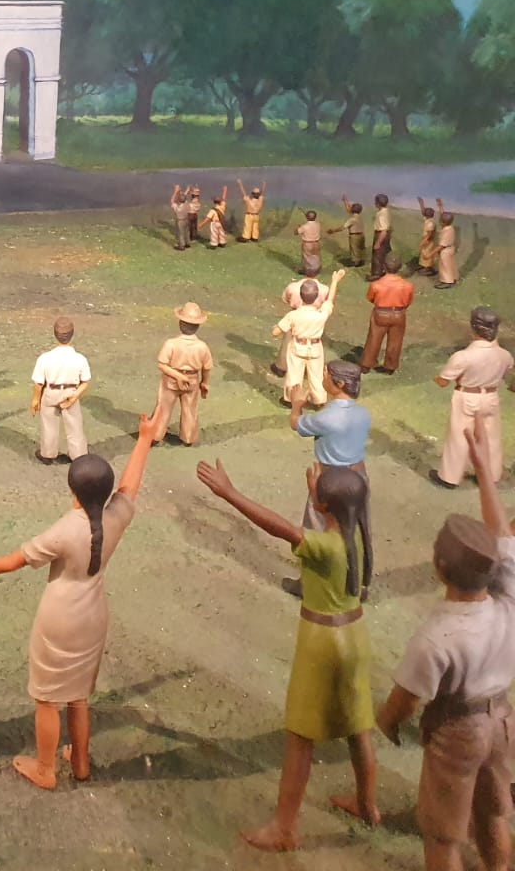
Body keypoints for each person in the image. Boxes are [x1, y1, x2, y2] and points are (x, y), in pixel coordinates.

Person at [0, 410, 162, 790]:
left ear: (73, 491)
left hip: (60, 618)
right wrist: (143, 440)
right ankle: (81, 762)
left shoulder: (65, 530)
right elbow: (129, 487)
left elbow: (16, 560)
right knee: (78, 696)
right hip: (93, 615)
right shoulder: (115, 517)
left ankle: (45, 767)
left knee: (47, 698)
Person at [196, 458, 379, 851]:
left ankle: (284, 828)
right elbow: (331, 513)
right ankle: (367, 805)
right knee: (358, 726)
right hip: (355, 636)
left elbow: (278, 527)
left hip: (322, 643)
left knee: (300, 737)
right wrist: (322, 497)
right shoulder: (357, 537)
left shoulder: (324, 547)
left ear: (324, 507)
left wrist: (229, 493)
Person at [376, 432, 515, 871]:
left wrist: (387, 721)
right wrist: (484, 473)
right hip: (502, 720)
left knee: (443, 834)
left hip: (459, 731)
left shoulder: (436, 636)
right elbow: (502, 534)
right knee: (493, 814)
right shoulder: (509, 597)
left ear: (440, 569)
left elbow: (406, 699)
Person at [284, 362, 371, 597]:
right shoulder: (363, 414)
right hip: (358, 475)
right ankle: (358, 584)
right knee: (357, 528)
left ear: (339, 383)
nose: (323, 377)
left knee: (316, 528)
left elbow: (296, 424)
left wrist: (296, 405)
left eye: (326, 374)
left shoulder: (327, 417)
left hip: (331, 479)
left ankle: (310, 584)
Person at [432, 307, 514, 489]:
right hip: (491, 397)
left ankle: (450, 477)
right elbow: (508, 368)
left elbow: (442, 382)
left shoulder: (463, 356)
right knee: (490, 438)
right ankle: (489, 475)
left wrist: (437, 378)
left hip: (467, 397)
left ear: (474, 328)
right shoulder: (504, 354)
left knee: (459, 437)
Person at [272, 269, 347, 406]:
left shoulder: (293, 315)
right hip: (315, 347)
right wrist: (335, 281)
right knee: (316, 375)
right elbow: (329, 300)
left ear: (301, 296)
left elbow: (276, 332)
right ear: (316, 296)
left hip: (297, 347)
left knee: (294, 375)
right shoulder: (321, 314)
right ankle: (319, 400)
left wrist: (276, 328)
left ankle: (290, 399)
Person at [31, 317, 92, 465]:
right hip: (70, 392)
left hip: (51, 392)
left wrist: (35, 400)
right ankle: (78, 455)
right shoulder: (80, 359)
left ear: (55, 334)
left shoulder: (45, 358)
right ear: (72, 334)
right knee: (75, 425)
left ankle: (48, 454)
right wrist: (75, 396)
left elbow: (38, 384)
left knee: (49, 425)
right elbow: (85, 382)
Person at [154, 302, 212, 446]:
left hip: (171, 379)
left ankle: (156, 434)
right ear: (198, 326)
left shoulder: (171, 344)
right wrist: (205, 382)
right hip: (192, 380)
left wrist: (178, 375)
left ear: (180, 323)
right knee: (190, 409)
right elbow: (207, 367)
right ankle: (188, 437)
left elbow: (161, 364)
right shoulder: (202, 347)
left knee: (163, 407)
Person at [272, 258, 328, 378]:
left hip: (296, 315)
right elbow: (327, 302)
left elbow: (285, 298)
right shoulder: (324, 289)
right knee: (315, 343)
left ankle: (282, 367)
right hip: (315, 318)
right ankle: (311, 370)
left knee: (288, 342)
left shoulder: (293, 287)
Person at [361, 253, 415, 374]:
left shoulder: (376, 285)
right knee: (396, 341)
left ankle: (366, 364)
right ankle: (390, 366)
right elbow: (408, 301)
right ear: (400, 267)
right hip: (399, 314)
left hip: (381, 313)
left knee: (374, 339)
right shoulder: (407, 286)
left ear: (384, 266)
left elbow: (370, 298)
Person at [329, 201, 365, 268]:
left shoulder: (352, 219)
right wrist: (345, 202)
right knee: (360, 248)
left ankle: (355, 262)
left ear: (352, 210)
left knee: (354, 249)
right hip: (361, 235)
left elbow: (342, 227)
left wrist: (333, 231)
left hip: (354, 236)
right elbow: (349, 210)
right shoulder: (359, 217)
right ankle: (361, 261)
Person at [368, 194, 393, 280]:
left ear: (378, 203)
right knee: (384, 254)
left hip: (381, 234)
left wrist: (378, 243)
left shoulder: (382, 214)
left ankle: (376, 274)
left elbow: (384, 230)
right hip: (384, 235)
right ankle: (384, 270)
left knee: (377, 255)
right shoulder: (386, 211)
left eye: (375, 202)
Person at [436, 202, 459, 289]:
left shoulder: (446, 231)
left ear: (442, 223)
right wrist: (440, 207)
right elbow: (444, 217)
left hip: (445, 252)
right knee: (450, 265)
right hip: (450, 250)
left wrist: (431, 253)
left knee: (445, 267)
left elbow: (441, 246)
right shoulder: (450, 227)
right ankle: (453, 278)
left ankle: (447, 281)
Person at [416, 197, 440, 277]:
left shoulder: (430, 223)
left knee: (427, 254)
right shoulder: (428, 220)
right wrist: (421, 204)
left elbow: (430, 234)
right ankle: (425, 267)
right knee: (423, 253)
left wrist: (424, 241)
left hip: (429, 241)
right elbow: (423, 212)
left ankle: (428, 269)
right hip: (427, 240)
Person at [169, 184, 191, 251]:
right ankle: (187, 243)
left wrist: (175, 192)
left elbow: (172, 201)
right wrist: (187, 191)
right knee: (186, 232)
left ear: (178, 201)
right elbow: (184, 197)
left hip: (180, 221)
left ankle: (181, 246)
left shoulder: (178, 208)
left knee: (180, 233)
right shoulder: (186, 204)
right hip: (186, 219)